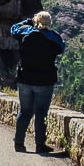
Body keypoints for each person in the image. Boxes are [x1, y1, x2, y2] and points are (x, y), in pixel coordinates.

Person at [10, 11, 65, 153]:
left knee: (25, 112)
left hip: (25, 80)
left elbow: (13, 28)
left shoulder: (25, 33)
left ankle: (19, 142)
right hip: (44, 82)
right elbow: (62, 47)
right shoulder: (53, 38)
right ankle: (40, 145)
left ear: (36, 21)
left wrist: (28, 20)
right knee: (41, 113)